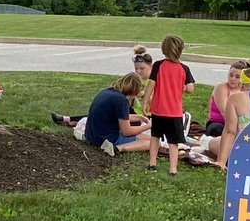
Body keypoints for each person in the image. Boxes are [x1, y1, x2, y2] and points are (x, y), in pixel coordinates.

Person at [50, 48, 154, 127]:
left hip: (145, 116)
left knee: (115, 120)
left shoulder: (154, 82)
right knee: (106, 113)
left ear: (151, 66)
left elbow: (155, 102)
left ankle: (80, 123)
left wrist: (143, 95)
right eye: (136, 68)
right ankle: (68, 119)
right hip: (131, 110)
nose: (138, 71)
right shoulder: (134, 78)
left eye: (142, 68)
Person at [143, 35, 195, 175]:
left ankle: (152, 164)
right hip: (175, 112)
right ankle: (173, 169)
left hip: (159, 110)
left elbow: (151, 85)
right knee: (173, 142)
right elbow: (190, 88)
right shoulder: (184, 68)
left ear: (163, 50)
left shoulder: (158, 66)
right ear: (180, 50)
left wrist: (145, 101)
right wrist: (180, 87)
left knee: (155, 137)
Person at [83, 73, 153, 156]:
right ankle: (118, 148)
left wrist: (138, 117)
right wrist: (148, 126)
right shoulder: (121, 101)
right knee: (153, 142)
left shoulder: (107, 92)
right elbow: (127, 132)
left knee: (145, 138)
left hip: (92, 135)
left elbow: (115, 116)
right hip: (106, 138)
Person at [208, 66, 250, 169]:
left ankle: (229, 159)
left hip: (242, 148)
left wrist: (221, 162)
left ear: (242, 83)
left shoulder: (236, 98)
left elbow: (230, 131)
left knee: (212, 143)